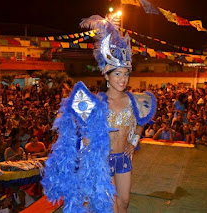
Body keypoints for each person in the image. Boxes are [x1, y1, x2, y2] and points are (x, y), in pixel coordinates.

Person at [42, 14, 156, 213]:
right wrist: (84, 140)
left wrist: (135, 139)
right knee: (109, 206)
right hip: (103, 161)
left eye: (126, 73)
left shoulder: (136, 101)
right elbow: (73, 126)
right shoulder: (97, 103)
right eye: (118, 74)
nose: (123, 79)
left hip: (124, 159)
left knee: (125, 202)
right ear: (106, 75)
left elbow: (142, 121)